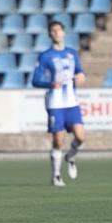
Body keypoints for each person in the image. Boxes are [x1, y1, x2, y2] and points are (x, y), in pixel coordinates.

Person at [31, 20, 86, 186]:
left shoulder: (72, 53)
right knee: (58, 140)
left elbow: (80, 72)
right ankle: (56, 176)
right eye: (53, 31)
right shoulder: (45, 56)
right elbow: (35, 80)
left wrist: (81, 76)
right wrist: (50, 84)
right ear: (49, 34)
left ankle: (70, 157)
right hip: (55, 103)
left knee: (81, 137)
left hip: (71, 101)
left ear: (63, 32)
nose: (56, 33)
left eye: (59, 30)